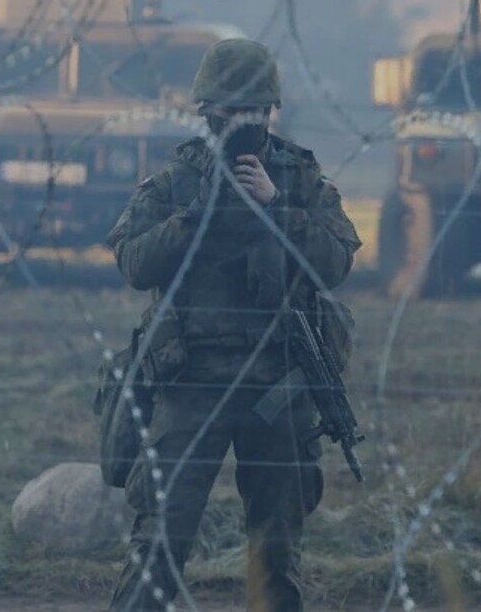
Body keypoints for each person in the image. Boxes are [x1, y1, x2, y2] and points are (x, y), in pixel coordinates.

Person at [104, 38, 362, 612]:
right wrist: (197, 213)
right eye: (229, 112)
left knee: (277, 549)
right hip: (192, 379)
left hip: (278, 380)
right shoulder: (177, 181)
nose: (241, 123)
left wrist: (276, 207)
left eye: (252, 112)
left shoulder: (298, 178)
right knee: (162, 537)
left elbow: (337, 263)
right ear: (207, 113)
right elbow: (134, 263)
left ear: (270, 111)